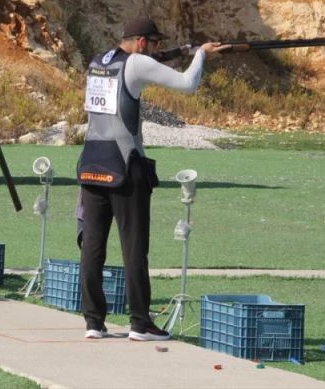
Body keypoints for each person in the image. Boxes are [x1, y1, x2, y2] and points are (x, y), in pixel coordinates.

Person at [76, 17, 228, 340]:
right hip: (125, 166)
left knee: (92, 248)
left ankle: (93, 322)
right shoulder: (136, 64)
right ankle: (140, 322)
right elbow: (188, 84)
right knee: (134, 248)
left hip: (91, 163)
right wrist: (201, 54)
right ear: (142, 43)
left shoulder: (96, 63)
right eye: (155, 43)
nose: (157, 48)